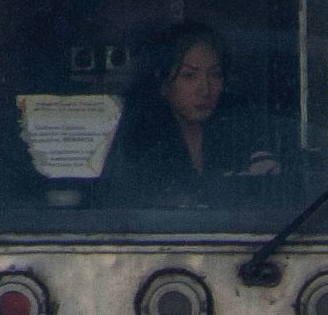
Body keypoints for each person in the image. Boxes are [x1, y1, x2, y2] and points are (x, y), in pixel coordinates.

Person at [108, 22, 279, 207]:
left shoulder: (244, 134)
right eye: (189, 76)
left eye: (215, 75)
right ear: (164, 84)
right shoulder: (137, 145)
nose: (205, 89)